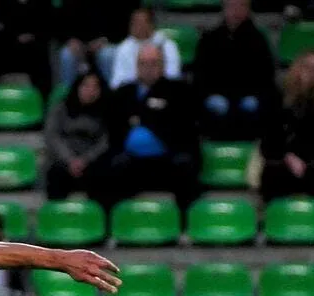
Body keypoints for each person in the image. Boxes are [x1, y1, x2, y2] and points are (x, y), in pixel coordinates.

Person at [109, 44, 200, 210]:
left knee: (185, 164)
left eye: (153, 63)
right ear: (136, 66)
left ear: (163, 66)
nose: (148, 68)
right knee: (112, 165)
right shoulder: (124, 92)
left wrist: (143, 117)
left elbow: (181, 126)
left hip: (167, 157)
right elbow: (115, 126)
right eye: (143, 63)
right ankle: (118, 223)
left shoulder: (178, 90)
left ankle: (184, 224)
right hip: (133, 160)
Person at [193, 0, 277, 140]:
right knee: (215, 104)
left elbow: (266, 76)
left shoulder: (258, 40)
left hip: (249, 95)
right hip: (216, 94)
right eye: (232, 6)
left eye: (241, 5)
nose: (236, 10)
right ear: (224, 8)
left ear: (248, 9)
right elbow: (200, 74)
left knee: (253, 105)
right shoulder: (209, 39)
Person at [261, 50, 314, 200]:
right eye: (307, 67)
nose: (311, 73)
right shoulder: (278, 98)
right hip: (284, 160)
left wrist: (309, 162)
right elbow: (269, 141)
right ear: (297, 68)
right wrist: (288, 157)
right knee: (274, 172)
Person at [45, 73, 113, 202]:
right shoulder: (60, 108)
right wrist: (70, 159)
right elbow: (52, 136)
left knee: (105, 173)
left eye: (95, 87)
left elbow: (105, 141)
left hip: (92, 161)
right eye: (86, 86)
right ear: (77, 87)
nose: (90, 91)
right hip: (64, 160)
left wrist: (85, 160)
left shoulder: (106, 111)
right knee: (53, 172)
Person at [0, 0, 53, 100]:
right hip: (2, 48)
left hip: (32, 50)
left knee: (42, 58)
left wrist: (32, 37)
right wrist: (11, 38)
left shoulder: (42, 3)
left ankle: (42, 103)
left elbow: (49, 28)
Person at [55, 0, 136, 88]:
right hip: (79, 45)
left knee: (107, 55)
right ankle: (67, 95)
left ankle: (113, 92)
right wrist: (69, 39)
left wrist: (106, 39)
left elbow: (124, 23)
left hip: (106, 43)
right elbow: (60, 21)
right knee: (66, 55)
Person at [108, 7, 182, 90]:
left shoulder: (168, 45)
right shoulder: (124, 47)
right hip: (134, 92)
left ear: (151, 24)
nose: (136, 26)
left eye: (141, 22)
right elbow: (117, 81)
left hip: (163, 89)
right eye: (134, 22)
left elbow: (173, 75)